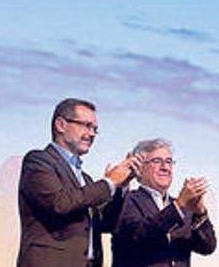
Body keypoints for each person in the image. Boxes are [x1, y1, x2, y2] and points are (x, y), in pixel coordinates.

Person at [18, 98, 139, 267]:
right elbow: (59, 203)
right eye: (86, 125)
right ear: (60, 125)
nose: (91, 134)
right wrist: (109, 182)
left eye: (95, 129)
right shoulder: (38, 161)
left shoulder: (86, 179)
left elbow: (105, 224)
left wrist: (121, 187)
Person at [111, 138, 217, 266]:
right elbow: (140, 237)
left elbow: (207, 247)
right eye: (157, 161)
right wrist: (178, 204)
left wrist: (199, 213)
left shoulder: (182, 208)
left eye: (169, 161)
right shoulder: (125, 201)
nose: (165, 167)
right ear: (139, 168)